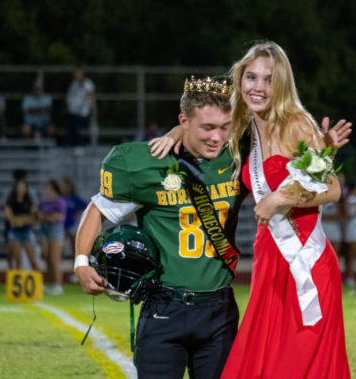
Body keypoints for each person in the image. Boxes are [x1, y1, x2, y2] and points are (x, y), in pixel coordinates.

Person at [75, 79, 242, 379]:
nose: (218, 137)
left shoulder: (238, 157)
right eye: (207, 127)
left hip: (219, 311)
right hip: (164, 307)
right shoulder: (150, 162)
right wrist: (80, 262)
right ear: (184, 121)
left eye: (225, 126)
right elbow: (98, 209)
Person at [220, 41, 350, 378]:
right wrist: (178, 130)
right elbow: (198, 119)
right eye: (251, 77)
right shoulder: (245, 124)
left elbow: (332, 189)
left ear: (281, 84)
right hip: (269, 259)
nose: (258, 87)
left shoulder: (296, 124)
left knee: (290, 365)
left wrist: (278, 198)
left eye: (269, 79)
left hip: (305, 263)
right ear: (240, 78)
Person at [38, 180, 66, 295]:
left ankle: (58, 285)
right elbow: (38, 215)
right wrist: (47, 217)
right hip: (45, 230)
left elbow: (58, 217)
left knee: (55, 259)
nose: (46, 191)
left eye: (49, 188)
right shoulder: (43, 202)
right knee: (46, 257)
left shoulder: (59, 201)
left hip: (56, 231)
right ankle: (50, 283)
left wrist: (45, 217)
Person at [4, 178, 39, 270]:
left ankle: (40, 283)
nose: (21, 189)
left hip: (27, 232)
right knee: (18, 262)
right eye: (20, 187)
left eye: (23, 187)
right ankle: (17, 283)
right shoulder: (10, 203)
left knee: (33, 261)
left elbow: (33, 219)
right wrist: (25, 219)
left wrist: (19, 219)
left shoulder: (29, 202)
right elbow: (12, 221)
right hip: (15, 233)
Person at [60, 177, 88, 283]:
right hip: (61, 227)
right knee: (59, 251)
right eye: (63, 187)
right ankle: (59, 272)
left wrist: (80, 217)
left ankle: (75, 272)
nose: (64, 188)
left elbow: (86, 207)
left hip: (71, 226)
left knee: (74, 250)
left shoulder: (74, 198)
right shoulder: (60, 198)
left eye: (66, 186)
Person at [66, 68, 95, 146]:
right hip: (73, 112)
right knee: (71, 124)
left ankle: (77, 145)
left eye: (78, 75)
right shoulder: (73, 84)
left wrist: (92, 109)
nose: (76, 77)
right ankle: (73, 145)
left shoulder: (88, 84)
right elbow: (70, 97)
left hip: (83, 113)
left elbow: (91, 97)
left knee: (74, 124)